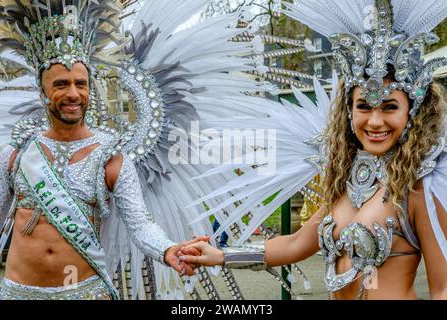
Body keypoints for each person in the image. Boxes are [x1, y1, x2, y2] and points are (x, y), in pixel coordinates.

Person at [178, 0, 447, 300]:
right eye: (363, 107)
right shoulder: (346, 180)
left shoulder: (420, 186)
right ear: (348, 110)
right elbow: (295, 244)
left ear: (412, 111)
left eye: (389, 107)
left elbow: (443, 288)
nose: (374, 121)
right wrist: (221, 255)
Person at [0, 0, 209, 300]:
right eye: (61, 84)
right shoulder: (16, 155)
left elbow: (140, 224)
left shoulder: (111, 158)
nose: (73, 93)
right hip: (17, 294)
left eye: (80, 84)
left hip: (86, 293)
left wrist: (168, 249)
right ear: (42, 91)